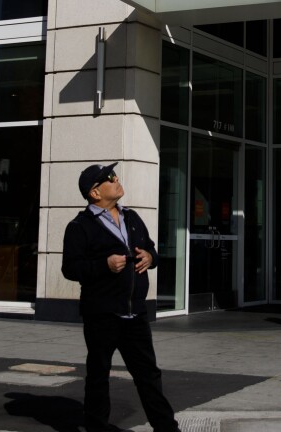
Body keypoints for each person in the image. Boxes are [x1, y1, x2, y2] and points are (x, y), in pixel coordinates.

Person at [62, 163, 180, 432]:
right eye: (109, 178)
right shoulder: (80, 226)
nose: (117, 180)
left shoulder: (132, 218)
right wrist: (104, 265)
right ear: (95, 192)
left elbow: (151, 249)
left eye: (114, 176)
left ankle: (167, 429)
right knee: (98, 376)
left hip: (135, 313)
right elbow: (70, 268)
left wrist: (151, 258)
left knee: (149, 376)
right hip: (102, 314)